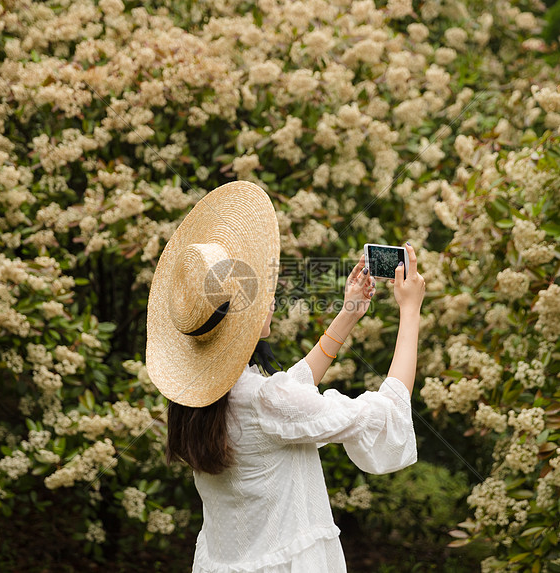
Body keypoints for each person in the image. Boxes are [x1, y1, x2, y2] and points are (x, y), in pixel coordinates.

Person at [146, 181, 425, 572]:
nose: (272, 300)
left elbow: (287, 394)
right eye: (261, 295)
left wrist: (349, 314)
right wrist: (410, 311)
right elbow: (389, 412)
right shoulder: (265, 401)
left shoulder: (197, 401)